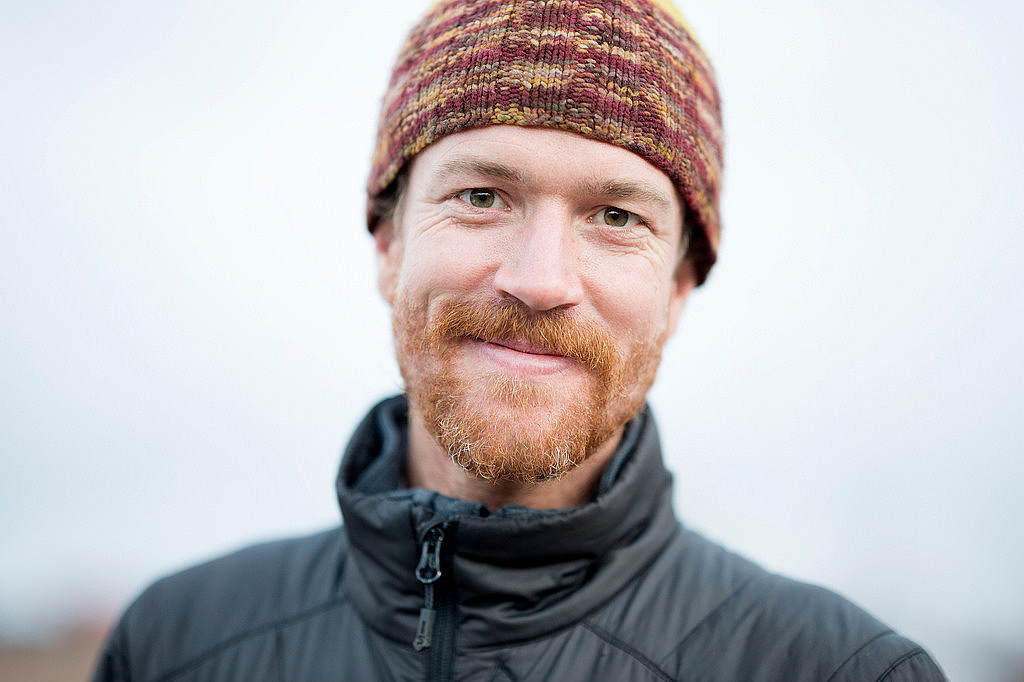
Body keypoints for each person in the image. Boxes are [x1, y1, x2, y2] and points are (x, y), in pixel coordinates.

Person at [93, 1, 946, 680]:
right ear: (389, 247)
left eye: (616, 216)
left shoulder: (840, 671)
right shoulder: (175, 643)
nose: (540, 280)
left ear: (680, 288)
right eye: (481, 197)